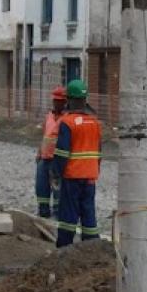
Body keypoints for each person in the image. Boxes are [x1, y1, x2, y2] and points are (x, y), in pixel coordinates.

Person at [51, 80, 101, 247]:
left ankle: (64, 247)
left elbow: (62, 152)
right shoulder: (94, 122)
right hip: (90, 177)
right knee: (88, 213)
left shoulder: (68, 122)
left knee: (68, 215)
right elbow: (99, 152)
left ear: (69, 100)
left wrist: (56, 174)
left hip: (72, 176)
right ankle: (92, 246)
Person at [35, 87, 66, 226]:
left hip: (57, 160)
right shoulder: (49, 116)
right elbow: (45, 135)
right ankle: (43, 212)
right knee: (41, 187)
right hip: (44, 158)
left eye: (60, 101)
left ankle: (58, 216)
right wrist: (39, 152)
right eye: (55, 100)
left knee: (58, 190)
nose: (56, 103)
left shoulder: (67, 118)